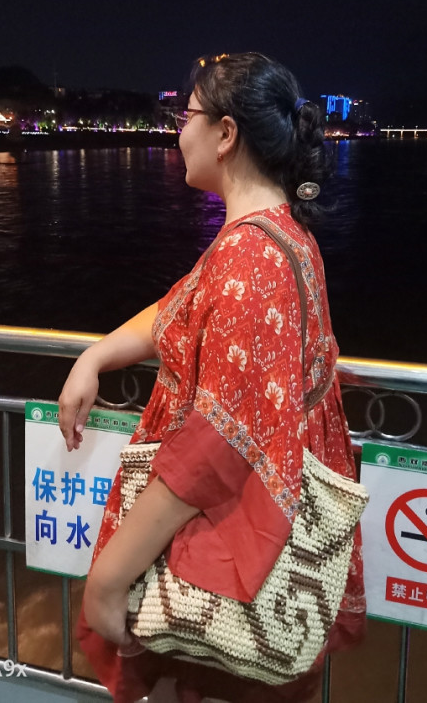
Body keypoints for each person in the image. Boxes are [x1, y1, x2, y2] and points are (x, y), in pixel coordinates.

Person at [58, 52, 366, 703]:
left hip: (235, 552)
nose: (178, 132)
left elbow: (214, 445)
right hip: (250, 534)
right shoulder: (278, 238)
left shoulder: (250, 259)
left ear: (225, 134)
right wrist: (95, 356)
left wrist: (108, 580)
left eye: (186, 116)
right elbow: (177, 308)